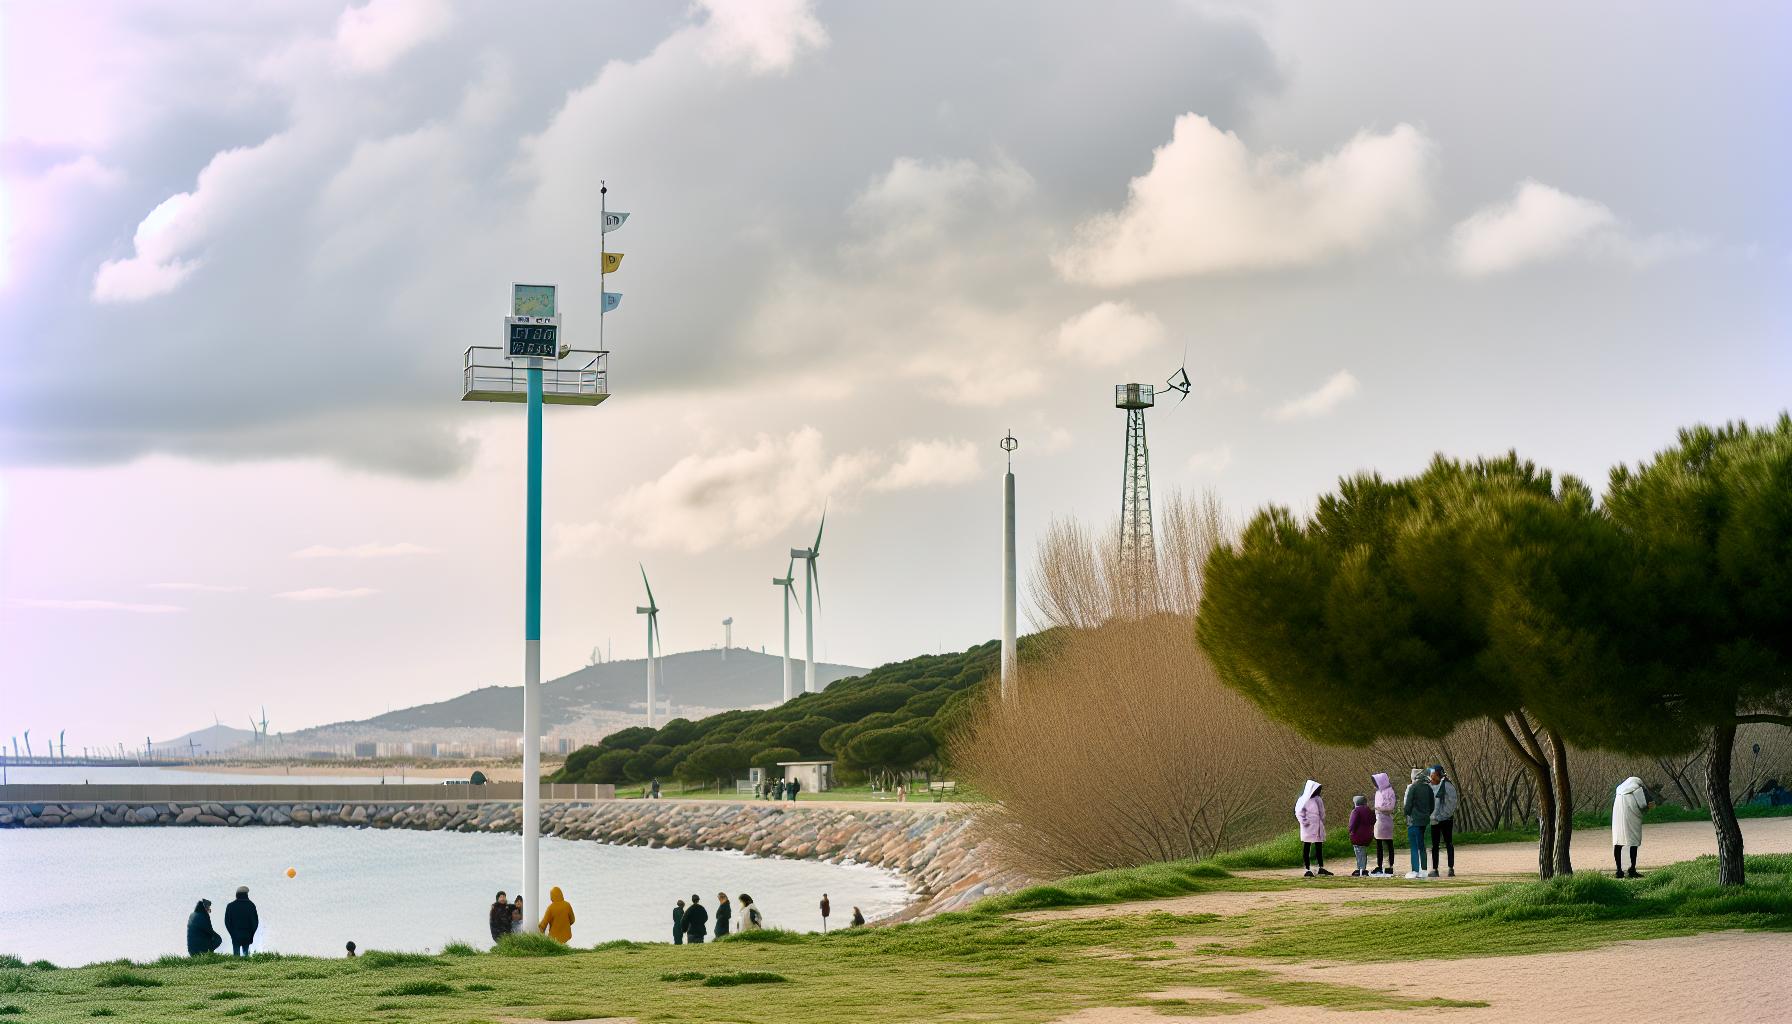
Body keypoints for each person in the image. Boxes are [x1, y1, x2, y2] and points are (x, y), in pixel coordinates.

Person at [1613, 776, 1650, 878]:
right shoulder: (1637, 788)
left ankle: (1619, 870)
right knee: (1634, 842)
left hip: (1618, 820)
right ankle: (1632, 869)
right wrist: (1650, 806)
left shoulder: (1619, 790)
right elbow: (1642, 804)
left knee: (1618, 843)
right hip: (1632, 818)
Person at [1428, 765, 1460, 878]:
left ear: (1438, 774)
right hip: (1434, 820)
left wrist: (1442, 815)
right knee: (1435, 845)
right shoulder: (1431, 786)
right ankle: (1435, 869)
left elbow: (1452, 803)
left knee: (1448, 843)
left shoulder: (1447, 785)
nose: (1431, 777)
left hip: (1445, 819)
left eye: (1432, 774)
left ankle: (1450, 868)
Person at [1403, 768, 1435, 879]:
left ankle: (1415, 870)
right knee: (1422, 845)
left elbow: (1408, 805)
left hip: (1414, 820)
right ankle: (1424, 869)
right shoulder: (1428, 788)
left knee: (1414, 846)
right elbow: (1432, 806)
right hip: (1425, 820)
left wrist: (1407, 814)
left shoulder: (1413, 787)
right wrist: (1426, 814)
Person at [1295, 780, 1329, 877]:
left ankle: (1320, 867)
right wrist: (1305, 822)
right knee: (1307, 847)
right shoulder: (1303, 799)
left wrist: (1320, 821)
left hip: (1317, 826)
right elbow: (1299, 813)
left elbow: (1322, 812)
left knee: (1318, 847)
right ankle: (1307, 869)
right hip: (1308, 827)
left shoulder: (1318, 799)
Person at [1370, 772, 1397, 877]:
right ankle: (1380, 865)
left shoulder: (1389, 792)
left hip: (1386, 820)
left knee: (1388, 843)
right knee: (1379, 844)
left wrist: (1379, 808)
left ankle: (1389, 866)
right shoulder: (1378, 792)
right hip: (1379, 820)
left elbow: (1390, 807)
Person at [224, 885, 259, 956]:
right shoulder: (251, 905)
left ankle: (236, 963)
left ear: (237, 894)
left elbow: (227, 922)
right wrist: (251, 934)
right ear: (246, 894)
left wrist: (232, 933)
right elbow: (255, 922)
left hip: (235, 934)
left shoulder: (230, 906)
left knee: (236, 955)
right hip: (247, 934)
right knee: (246, 954)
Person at [1347, 795, 1374, 877]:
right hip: (1368, 835)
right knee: (1363, 851)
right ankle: (1362, 868)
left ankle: (1361, 869)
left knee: (1358, 852)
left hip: (1357, 835)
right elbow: (1373, 821)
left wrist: (1350, 831)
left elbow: (1352, 824)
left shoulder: (1356, 811)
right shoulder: (1369, 811)